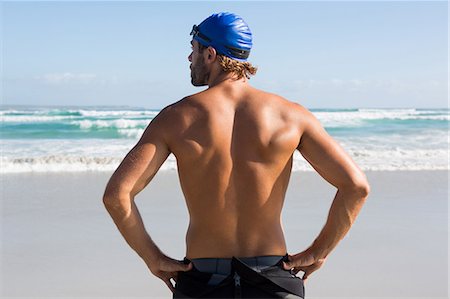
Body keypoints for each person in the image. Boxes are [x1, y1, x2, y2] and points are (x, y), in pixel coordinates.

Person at [103, 12, 370, 298]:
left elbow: (117, 195)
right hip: (274, 280)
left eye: (192, 49)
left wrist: (152, 257)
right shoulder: (291, 116)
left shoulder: (176, 117)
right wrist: (319, 251)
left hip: (202, 281)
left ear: (210, 54)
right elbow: (356, 187)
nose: (188, 59)